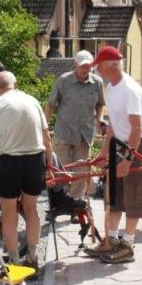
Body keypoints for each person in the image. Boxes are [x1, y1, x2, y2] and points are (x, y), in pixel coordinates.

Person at [85, 46, 142, 264]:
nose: (96, 70)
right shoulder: (112, 88)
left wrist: (128, 159)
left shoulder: (130, 90)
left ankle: (127, 246)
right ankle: (110, 241)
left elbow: (136, 128)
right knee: (114, 196)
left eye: (99, 66)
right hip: (120, 144)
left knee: (134, 196)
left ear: (110, 66)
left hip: (139, 144)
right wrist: (104, 152)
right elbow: (114, 126)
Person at [0, 71, 53, 272]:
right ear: (16, 84)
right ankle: (32, 257)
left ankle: (14, 262)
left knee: (9, 214)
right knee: (32, 210)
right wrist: (49, 162)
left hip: (9, 162)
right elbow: (46, 135)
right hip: (35, 159)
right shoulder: (32, 101)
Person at [44, 50, 104, 204]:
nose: (86, 69)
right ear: (75, 65)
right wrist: (43, 127)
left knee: (81, 172)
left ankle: (75, 205)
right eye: (83, 66)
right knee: (60, 171)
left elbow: (100, 105)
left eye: (89, 66)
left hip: (85, 134)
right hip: (64, 132)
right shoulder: (64, 80)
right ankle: (58, 203)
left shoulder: (97, 82)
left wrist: (99, 120)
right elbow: (50, 105)